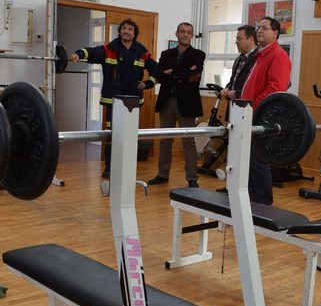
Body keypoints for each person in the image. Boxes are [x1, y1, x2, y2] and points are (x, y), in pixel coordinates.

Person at [69, 18, 157, 178]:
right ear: (120, 31)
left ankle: (128, 168)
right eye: (124, 28)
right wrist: (78, 54)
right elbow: (92, 52)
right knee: (112, 135)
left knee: (129, 136)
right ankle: (109, 167)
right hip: (113, 102)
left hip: (133, 102)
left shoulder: (142, 52)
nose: (126, 31)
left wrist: (147, 84)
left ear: (135, 33)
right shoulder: (109, 49)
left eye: (130, 29)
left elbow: (156, 71)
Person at [240, 16, 291, 205]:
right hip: (250, 113)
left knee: (258, 161)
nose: (259, 30)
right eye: (258, 27)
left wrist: (252, 106)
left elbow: (275, 89)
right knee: (249, 161)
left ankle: (262, 204)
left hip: (260, 115)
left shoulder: (278, 55)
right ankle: (250, 201)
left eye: (265, 28)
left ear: (275, 33)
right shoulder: (261, 55)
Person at [147, 22, 206, 188]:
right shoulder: (166, 54)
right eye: (182, 31)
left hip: (187, 103)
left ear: (192, 35)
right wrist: (183, 74)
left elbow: (195, 77)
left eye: (188, 32)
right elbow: (158, 76)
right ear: (177, 34)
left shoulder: (198, 54)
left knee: (189, 142)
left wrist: (172, 71)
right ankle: (162, 174)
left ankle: (192, 178)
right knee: (165, 140)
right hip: (167, 101)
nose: (185, 34)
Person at [220, 24, 258, 102]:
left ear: (251, 39)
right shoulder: (238, 59)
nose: (236, 42)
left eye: (239, 39)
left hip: (249, 106)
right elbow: (233, 81)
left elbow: (257, 86)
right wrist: (227, 89)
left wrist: (237, 93)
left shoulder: (259, 59)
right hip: (234, 106)